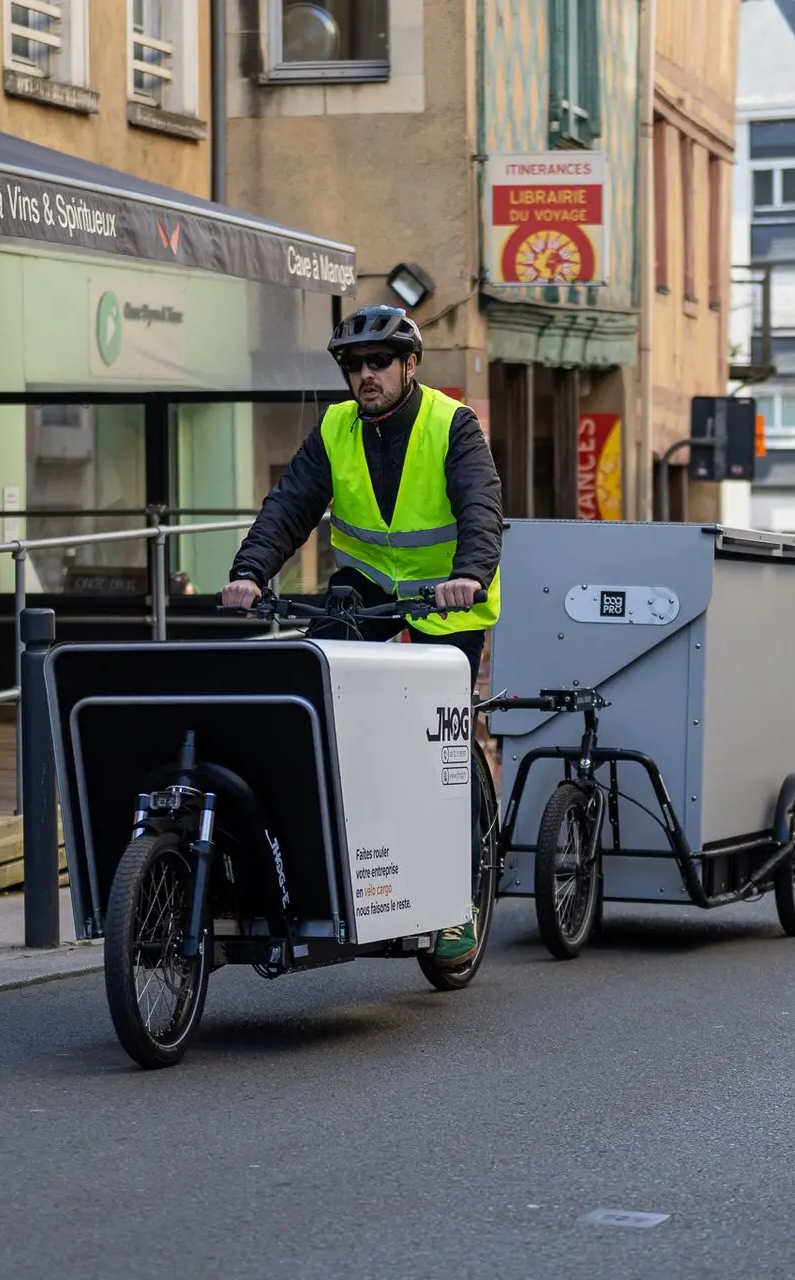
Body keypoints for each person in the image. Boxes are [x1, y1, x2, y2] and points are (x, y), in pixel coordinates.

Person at [221, 304, 504, 963]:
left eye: (379, 362)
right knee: (310, 693)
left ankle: (457, 900)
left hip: (447, 598)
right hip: (371, 589)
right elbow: (289, 505)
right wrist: (249, 573)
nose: (366, 375)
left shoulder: (452, 425)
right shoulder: (336, 429)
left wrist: (469, 574)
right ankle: (312, 869)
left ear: (410, 366)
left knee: (442, 746)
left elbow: (480, 508)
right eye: (354, 365)